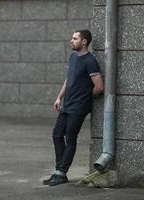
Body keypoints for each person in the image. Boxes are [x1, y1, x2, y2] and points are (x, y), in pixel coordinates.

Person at [43, 29, 104, 186]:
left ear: (84, 42)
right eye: (72, 38)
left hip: (78, 108)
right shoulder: (73, 57)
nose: (71, 40)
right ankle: (59, 171)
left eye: (75, 38)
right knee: (57, 134)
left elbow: (99, 86)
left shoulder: (90, 61)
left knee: (70, 138)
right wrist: (59, 97)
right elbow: (68, 80)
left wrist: (85, 98)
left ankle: (61, 172)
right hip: (67, 104)